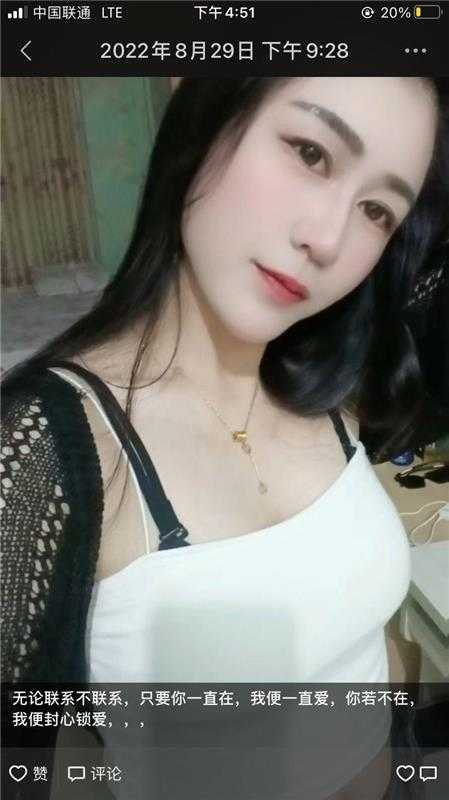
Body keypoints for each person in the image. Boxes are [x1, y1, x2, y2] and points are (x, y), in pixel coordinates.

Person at [1, 77, 448, 799]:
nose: (327, 239)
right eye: (310, 152)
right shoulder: (47, 445)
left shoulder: (329, 387)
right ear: (208, 120)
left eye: (376, 210)